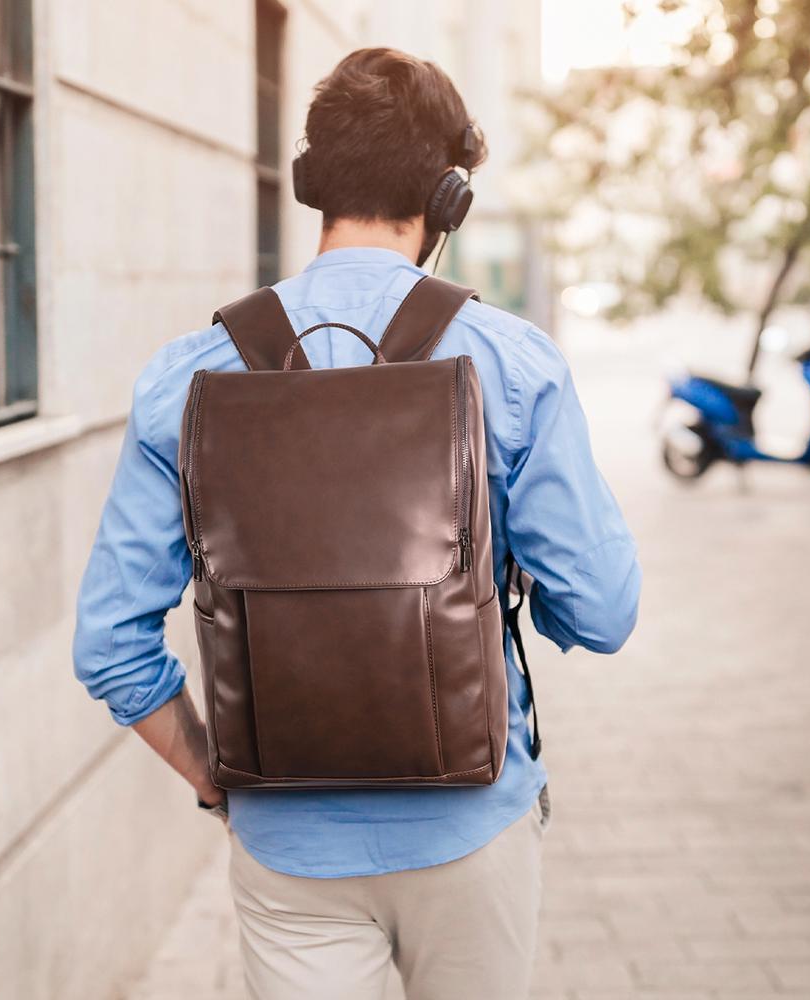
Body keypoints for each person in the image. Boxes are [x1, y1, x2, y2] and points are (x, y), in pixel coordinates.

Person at [73, 47, 641, 1000]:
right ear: (449, 198)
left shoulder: (190, 377)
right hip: (473, 827)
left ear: (311, 184)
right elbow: (606, 612)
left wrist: (219, 778)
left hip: (288, 847)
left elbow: (109, 647)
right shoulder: (513, 365)